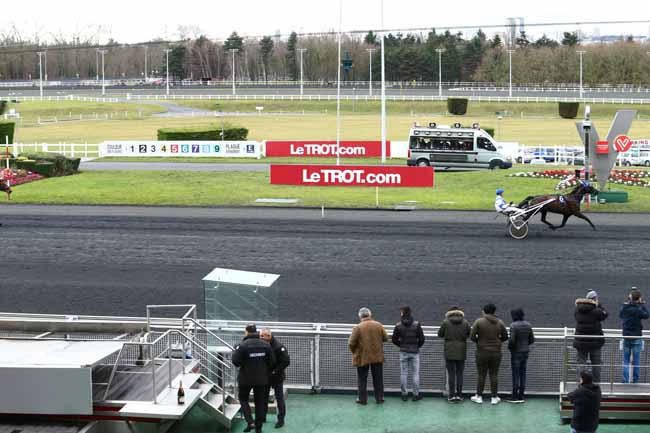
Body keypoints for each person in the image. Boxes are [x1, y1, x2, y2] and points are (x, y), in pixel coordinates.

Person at [232, 324, 276, 433]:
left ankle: (250, 422)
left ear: (247, 332)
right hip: (261, 379)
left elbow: (236, 362)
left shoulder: (242, 345)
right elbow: (272, 362)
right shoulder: (266, 345)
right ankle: (258, 428)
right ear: (256, 332)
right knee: (260, 403)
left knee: (243, 399)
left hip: (245, 379)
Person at [348, 307, 389, 405]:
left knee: (362, 379)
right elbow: (386, 338)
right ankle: (379, 398)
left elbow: (351, 343)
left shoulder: (358, 327)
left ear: (360, 316)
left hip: (363, 357)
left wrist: (355, 352)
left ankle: (362, 399)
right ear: (370, 315)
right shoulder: (378, 325)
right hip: (377, 356)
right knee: (378, 378)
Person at [470, 303, 508, 405]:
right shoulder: (500, 322)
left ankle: (478, 396)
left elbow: (472, 337)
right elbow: (505, 337)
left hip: (481, 352)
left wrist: (480, 342)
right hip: (496, 352)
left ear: (484, 311)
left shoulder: (478, 321)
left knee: (481, 375)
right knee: (494, 375)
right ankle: (494, 397)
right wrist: (497, 342)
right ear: (494, 311)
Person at [391, 306, 425, 401]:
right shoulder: (416, 325)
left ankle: (404, 394)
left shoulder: (398, 325)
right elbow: (422, 339)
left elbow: (394, 339)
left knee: (403, 373)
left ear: (402, 313)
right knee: (415, 373)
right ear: (410, 313)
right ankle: (415, 395)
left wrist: (401, 345)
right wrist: (417, 346)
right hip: (414, 352)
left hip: (403, 352)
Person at [438, 306, 471, 402]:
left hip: (449, 350)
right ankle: (459, 395)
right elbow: (469, 334)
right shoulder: (465, 322)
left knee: (451, 374)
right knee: (460, 374)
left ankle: (451, 395)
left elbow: (440, 334)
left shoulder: (445, 322)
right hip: (461, 350)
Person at [574, 290, 608, 383]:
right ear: (595, 299)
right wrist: (599, 305)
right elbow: (605, 314)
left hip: (581, 342)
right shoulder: (597, 311)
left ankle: (581, 383)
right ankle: (596, 384)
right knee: (596, 364)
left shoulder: (578, 309)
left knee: (581, 363)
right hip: (595, 342)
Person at [260, 329, 290, 428]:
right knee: (263, 398)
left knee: (279, 398)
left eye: (262, 336)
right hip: (265, 376)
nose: (260, 338)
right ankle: (262, 417)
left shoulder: (279, 347)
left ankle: (281, 420)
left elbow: (286, 361)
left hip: (277, 376)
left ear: (268, 336)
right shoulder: (262, 344)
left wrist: (274, 371)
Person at [619, 287, 649, 383]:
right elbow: (647, 315)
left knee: (625, 360)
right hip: (636, 337)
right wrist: (642, 305)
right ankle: (635, 381)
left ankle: (625, 381)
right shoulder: (638, 309)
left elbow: (620, 315)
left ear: (630, 298)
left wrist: (630, 302)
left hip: (626, 336)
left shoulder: (625, 307)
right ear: (639, 298)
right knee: (636, 361)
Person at [507, 308, 535, 403]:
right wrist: (525, 345)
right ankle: (521, 395)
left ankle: (514, 396)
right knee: (523, 373)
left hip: (516, 352)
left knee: (515, 374)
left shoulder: (513, 325)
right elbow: (532, 340)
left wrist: (510, 348)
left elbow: (512, 340)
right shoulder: (528, 325)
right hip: (525, 352)